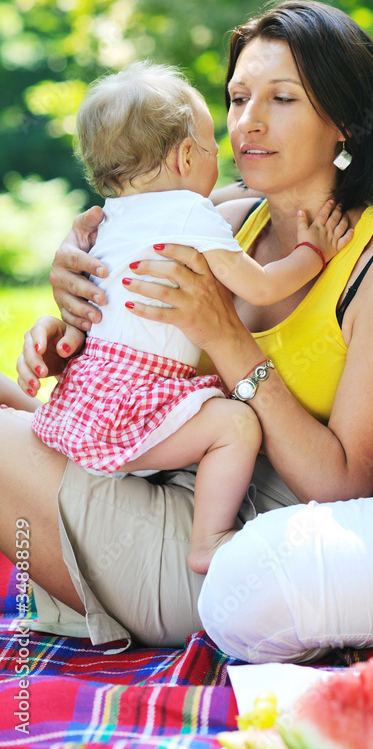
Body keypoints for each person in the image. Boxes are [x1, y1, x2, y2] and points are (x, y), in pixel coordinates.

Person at [4, 0, 373, 654]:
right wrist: (72, 331)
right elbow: (138, 332)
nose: (248, 122)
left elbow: (342, 483)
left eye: (281, 98)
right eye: (236, 98)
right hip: (146, 478)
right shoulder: (222, 216)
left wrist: (228, 340)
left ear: (344, 122)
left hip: (234, 552)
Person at [30, 62, 353, 574]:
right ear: (185, 156)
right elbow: (259, 284)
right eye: (210, 148)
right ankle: (208, 539)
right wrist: (314, 253)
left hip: (95, 397)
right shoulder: (189, 211)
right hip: (140, 404)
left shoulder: (107, 217)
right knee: (236, 424)